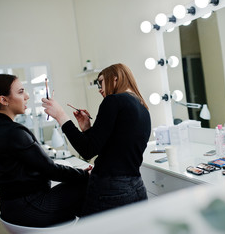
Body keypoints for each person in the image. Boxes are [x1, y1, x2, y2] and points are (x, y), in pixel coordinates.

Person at [0, 74, 90, 227]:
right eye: (20, 92)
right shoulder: (15, 132)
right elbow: (51, 170)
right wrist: (85, 174)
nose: (27, 96)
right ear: (3, 100)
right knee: (90, 186)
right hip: (30, 208)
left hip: (10, 208)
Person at [42, 63, 151, 216]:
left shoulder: (113, 100)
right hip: (136, 186)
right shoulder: (142, 107)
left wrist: (61, 116)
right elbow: (109, 145)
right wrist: (87, 128)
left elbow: (87, 151)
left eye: (101, 82)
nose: (99, 88)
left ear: (115, 78)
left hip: (111, 188)